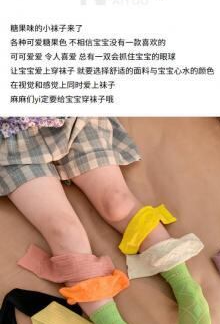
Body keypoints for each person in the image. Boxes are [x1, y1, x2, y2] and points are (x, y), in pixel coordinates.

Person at [0, 114, 141, 281]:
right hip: (7, 140)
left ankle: (171, 272)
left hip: (69, 118)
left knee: (118, 203)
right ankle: (94, 296)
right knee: (64, 232)